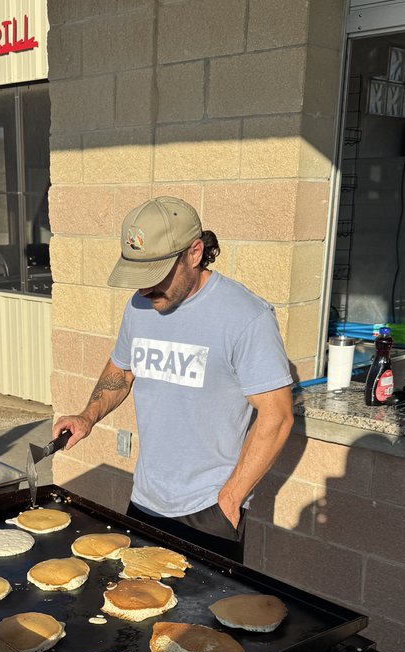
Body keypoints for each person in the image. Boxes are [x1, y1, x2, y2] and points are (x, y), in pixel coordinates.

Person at [52, 196, 295, 561]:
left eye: (156, 275)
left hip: (208, 510)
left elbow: (276, 416)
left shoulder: (246, 317)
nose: (146, 290)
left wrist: (228, 502)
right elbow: (123, 368)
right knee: (132, 611)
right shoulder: (140, 305)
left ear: (194, 253)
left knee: (197, 619)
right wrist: (88, 416)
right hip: (146, 501)